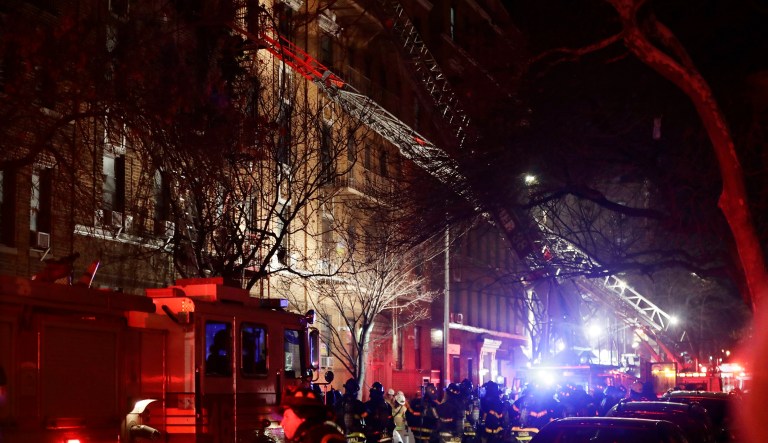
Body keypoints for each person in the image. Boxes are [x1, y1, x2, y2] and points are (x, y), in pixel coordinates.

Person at [280, 386, 346, 443]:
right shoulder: (308, 437)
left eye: (287, 417)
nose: (282, 423)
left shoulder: (322, 439)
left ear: (304, 416)